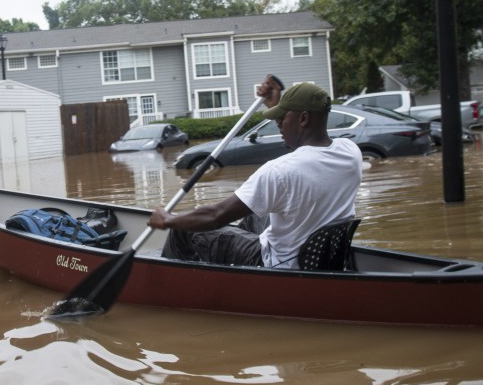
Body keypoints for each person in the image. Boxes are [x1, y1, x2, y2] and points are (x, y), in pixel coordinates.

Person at [148, 77, 362, 269]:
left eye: (282, 119)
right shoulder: (350, 151)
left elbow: (215, 216)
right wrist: (278, 107)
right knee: (253, 211)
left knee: (184, 228)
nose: (278, 126)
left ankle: (173, 278)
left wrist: (168, 220)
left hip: (279, 263)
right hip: (318, 256)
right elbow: (307, 155)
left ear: (303, 119)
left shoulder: (279, 171)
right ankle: (227, 262)